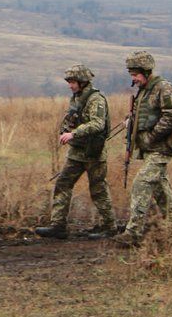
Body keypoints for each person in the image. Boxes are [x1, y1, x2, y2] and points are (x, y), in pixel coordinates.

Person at [35, 64, 116, 240]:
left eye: (72, 82)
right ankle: (58, 225)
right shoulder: (77, 98)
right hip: (77, 152)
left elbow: (98, 124)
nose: (70, 85)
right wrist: (66, 131)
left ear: (82, 81)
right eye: (69, 82)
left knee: (98, 189)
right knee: (63, 183)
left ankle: (110, 227)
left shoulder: (96, 99)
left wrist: (73, 133)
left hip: (93, 152)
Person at [113, 51, 172, 247]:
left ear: (146, 71)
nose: (133, 79)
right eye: (131, 75)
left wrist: (152, 136)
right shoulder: (144, 91)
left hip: (161, 147)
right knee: (160, 189)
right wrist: (131, 121)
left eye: (135, 74)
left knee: (141, 183)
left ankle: (133, 233)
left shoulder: (163, 88)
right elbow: (144, 114)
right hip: (150, 148)